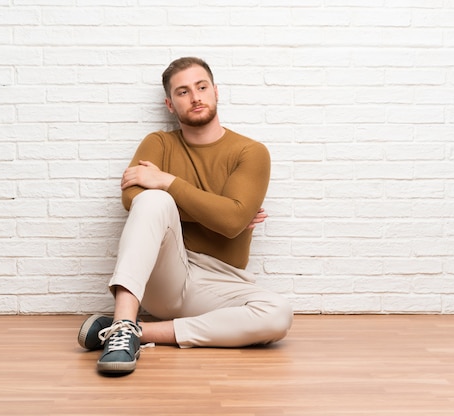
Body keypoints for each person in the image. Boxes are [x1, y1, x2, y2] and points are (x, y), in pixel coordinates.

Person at [77, 57, 293, 375]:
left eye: (201, 87)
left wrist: (168, 183)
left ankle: (132, 331)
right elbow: (133, 200)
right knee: (153, 201)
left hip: (222, 283)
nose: (194, 97)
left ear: (216, 92)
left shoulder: (250, 152)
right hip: (167, 274)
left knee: (278, 314)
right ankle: (122, 320)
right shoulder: (159, 143)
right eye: (183, 91)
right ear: (170, 104)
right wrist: (221, 210)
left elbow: (232, 222)